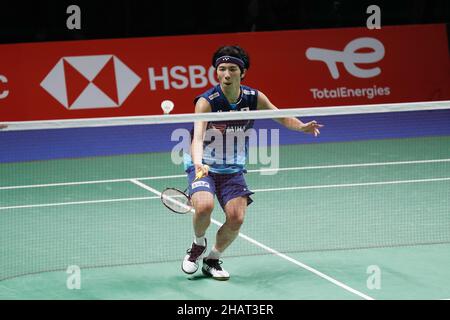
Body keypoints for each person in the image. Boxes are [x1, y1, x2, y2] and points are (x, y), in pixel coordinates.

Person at [182, 45, 323, 280]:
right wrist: (198, 163)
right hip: (203, 165)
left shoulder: (253, 97)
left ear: (243, 72)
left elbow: (279, 114)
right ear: (216, 72)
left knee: (236, 218)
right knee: (204, 206)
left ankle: (212, 259)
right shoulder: (207, 101)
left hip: (232, 168)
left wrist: (301, 127)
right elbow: (196, 138)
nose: (226, 74)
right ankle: (198, 245)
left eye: (232, 69)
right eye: (222, 69)